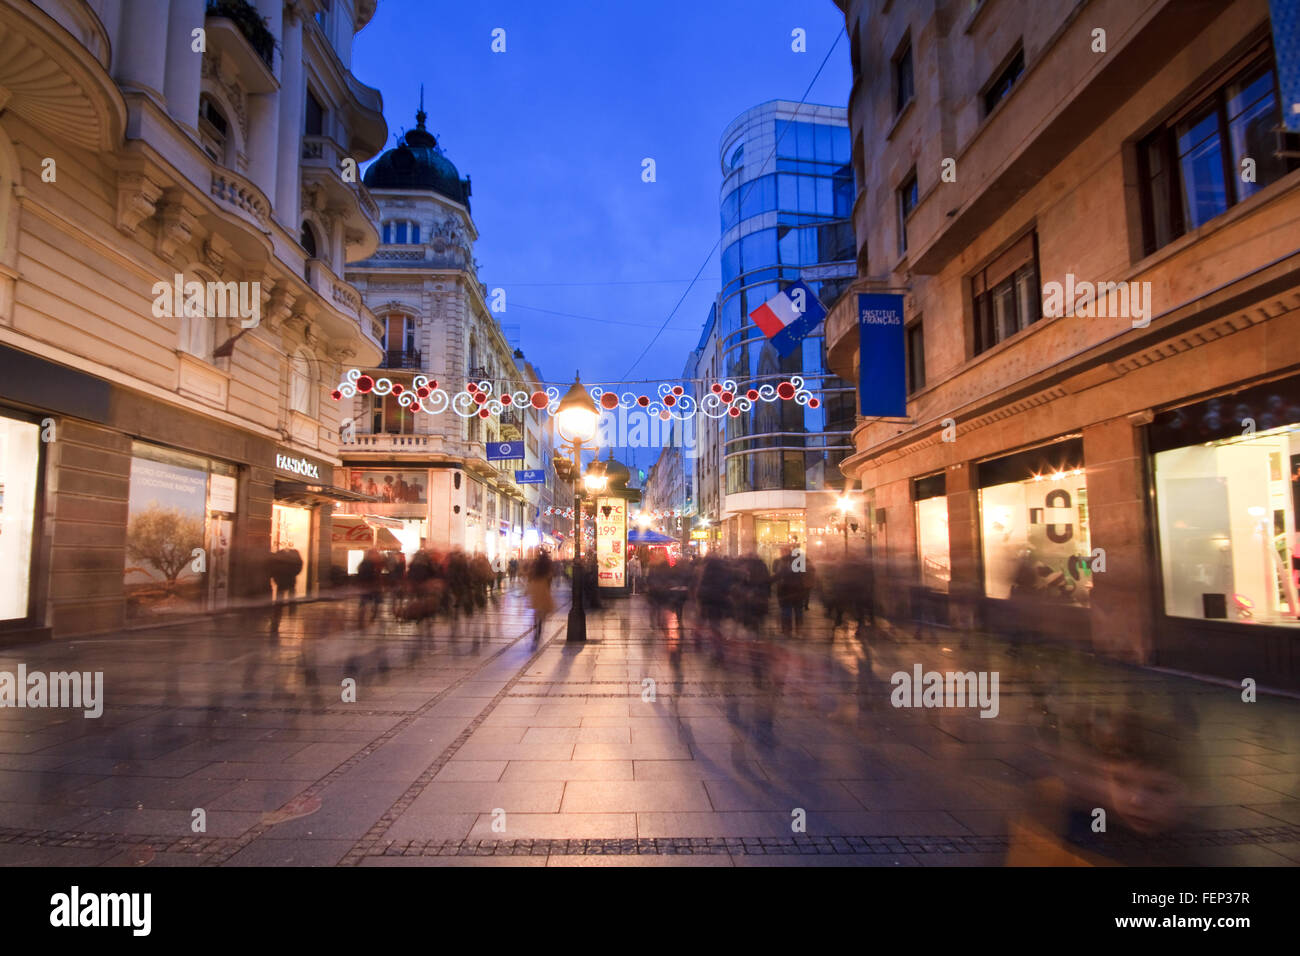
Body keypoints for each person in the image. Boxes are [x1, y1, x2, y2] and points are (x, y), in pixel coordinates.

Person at [268, 547, 303, 637]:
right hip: (285, 580)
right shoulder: (290, 554)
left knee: (283, 599)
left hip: (285, 580)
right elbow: (273, 567)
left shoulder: (284, 554)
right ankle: (288, 614)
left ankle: (281, 617)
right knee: (286, 599)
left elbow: (273, 567)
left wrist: (275, 577)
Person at [526, 550, 555, 644]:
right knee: (543, 609)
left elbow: (530, 575)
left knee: (536, 609)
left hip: (535, 587)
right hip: (543, 587)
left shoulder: (536, 564)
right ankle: (540, 625)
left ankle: (536, 625)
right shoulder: (547, 565)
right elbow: (550, 577)